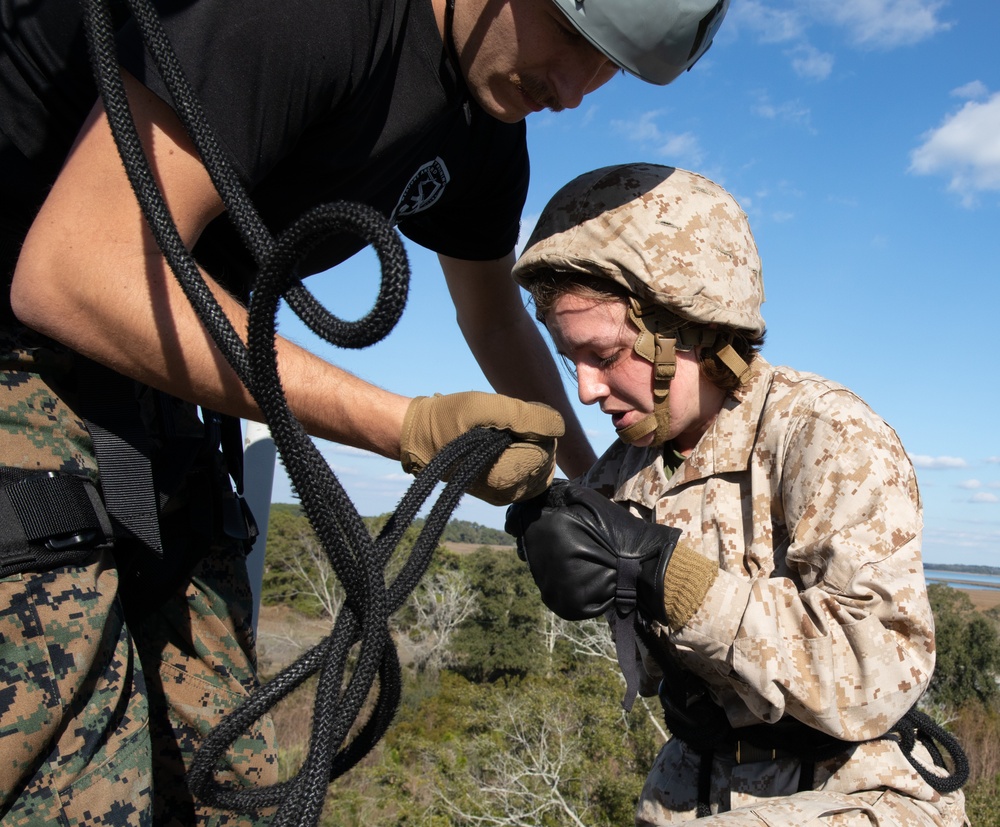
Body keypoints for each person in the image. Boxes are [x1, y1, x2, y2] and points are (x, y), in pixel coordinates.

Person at [0, 0, 730, 824]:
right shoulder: (307, 17)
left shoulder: (484, 117)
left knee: (231, 790)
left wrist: (595, 486)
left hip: (148, 385)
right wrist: (408, 428)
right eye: (570, 38)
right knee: (71, 788)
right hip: (28, 343)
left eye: (611, 68)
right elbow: (72, 271)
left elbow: (493, 317)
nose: (573, 90)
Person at [506, 163, 969, 826]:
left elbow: (876, 677)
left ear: (689, 327)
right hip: (693, 780)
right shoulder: (623, 471)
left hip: (853, 788)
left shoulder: (826, 435)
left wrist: (678, 580)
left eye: (605, 355)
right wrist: (549, 526)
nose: (585, 389)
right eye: (568, 358)